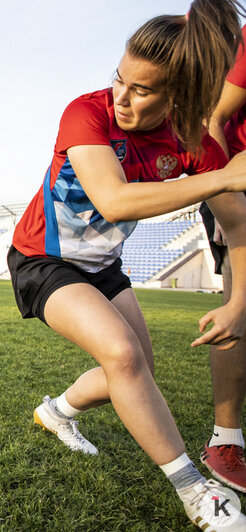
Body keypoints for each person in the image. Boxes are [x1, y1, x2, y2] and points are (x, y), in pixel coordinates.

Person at [8, 2, 246, 529]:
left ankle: (57, 412)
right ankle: (197, 494)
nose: (121, 96)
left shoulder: (191, 142)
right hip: (42, 259)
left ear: (177, 97)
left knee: (137, 372)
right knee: (124, 356)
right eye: (120, 78)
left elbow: (240, 228)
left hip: (103, 265)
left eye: (141, 90)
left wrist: (239, 303)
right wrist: (223, 177)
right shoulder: (85, 112)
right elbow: (114, 201)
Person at [201, 21, 246, 494]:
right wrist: (222, 188)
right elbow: (211, 118)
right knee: (240, 310)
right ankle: (225, 439)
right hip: (239, 187)